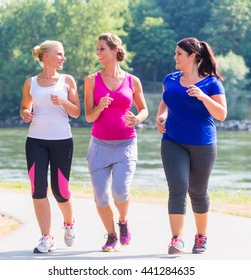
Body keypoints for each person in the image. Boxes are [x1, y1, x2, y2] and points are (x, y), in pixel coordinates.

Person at [155, 37, 227, 254]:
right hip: (172, 141)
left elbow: (221, 114)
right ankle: (176, 239)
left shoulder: (211, 82)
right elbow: (166, 101)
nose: (174, 57)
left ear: (192, 56)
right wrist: (161, 116)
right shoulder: (170, 79)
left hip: (202, 144)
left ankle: (201, 236)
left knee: (198, 191)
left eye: (179, 54)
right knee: (177, 188)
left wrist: (203, 96)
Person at [84, 33, 148, 252]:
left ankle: (123, 221)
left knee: (120, 191)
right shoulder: (91, 80)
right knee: (101, 197)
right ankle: (111, 236)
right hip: (99, 146)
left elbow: (144, 109)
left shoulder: (132, 80)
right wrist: (100, 106)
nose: (98, 53)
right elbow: (89, 117)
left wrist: (138, 118)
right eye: (97, 49)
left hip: (126, 144)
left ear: (114, 51)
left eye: (101, 48)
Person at [20, 40, 81, 253]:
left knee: (60, 190)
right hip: (35, 140)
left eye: (63, 55)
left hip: (62, 140)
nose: (63, 58)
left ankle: (69, 223)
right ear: (46, 57)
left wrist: (63, 102)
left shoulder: (67, 80)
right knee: (38, 189)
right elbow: (24, 108)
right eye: (60, 54)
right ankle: (46, 237)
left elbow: (76, 112)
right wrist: (25, 114)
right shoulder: (31, 83)